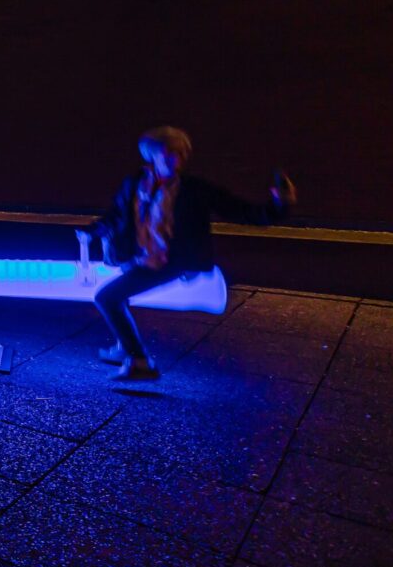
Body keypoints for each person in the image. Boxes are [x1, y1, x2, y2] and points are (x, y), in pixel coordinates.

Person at [80, 126, 295, 382]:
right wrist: (93, 231)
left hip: (169, 261)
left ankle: (139, 362)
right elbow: (117, 215)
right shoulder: (135, 183)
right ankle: (124, 347)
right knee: (118, 297)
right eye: (169, 153)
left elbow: (241, 211)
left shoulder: (194, 189)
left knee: (107, 298)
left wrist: (279, 205)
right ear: (152, 156)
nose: (176, 160)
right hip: (138, 257)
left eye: (181, 154)